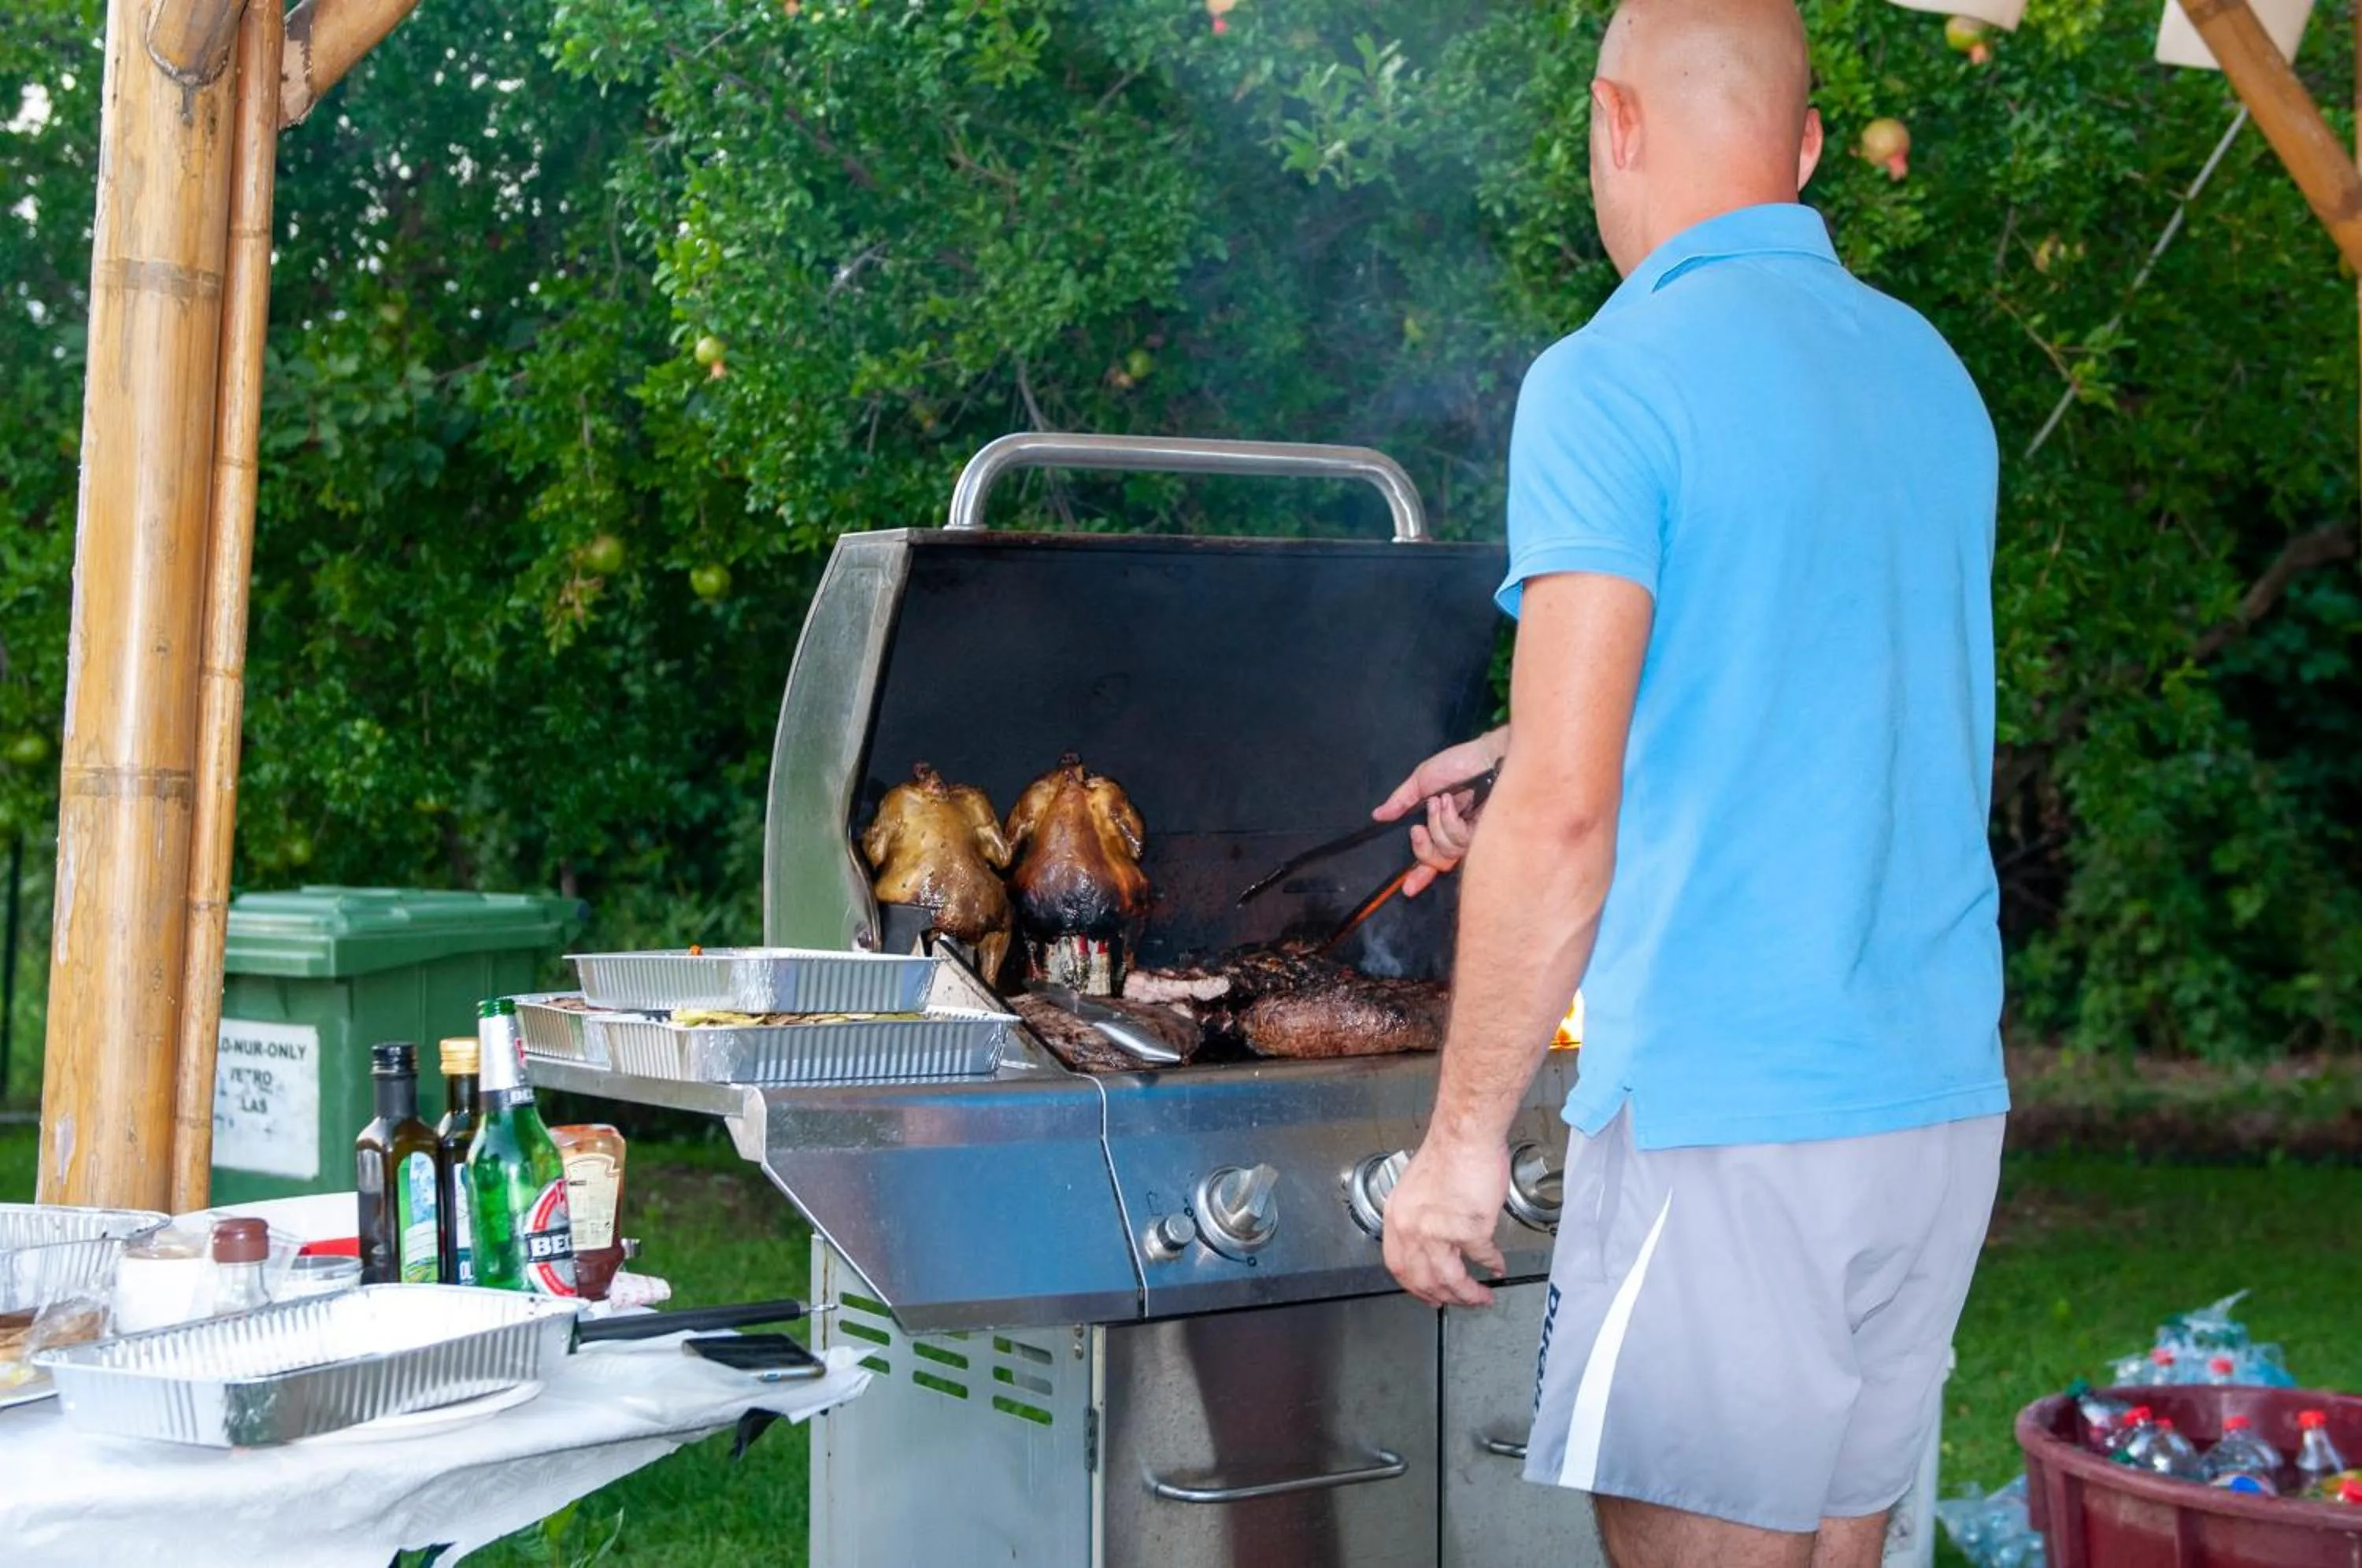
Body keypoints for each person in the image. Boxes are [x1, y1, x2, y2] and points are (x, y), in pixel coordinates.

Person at [1371, 0, 2008, 1563]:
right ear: (1801, 149)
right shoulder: (1927, 374)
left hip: (1732, 1122)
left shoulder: (1615, 376)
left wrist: (1463, 1141)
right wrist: (1524, 738)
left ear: (1616, 119)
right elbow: (1812, 669)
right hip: (1927, 1110)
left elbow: (1569, 820)